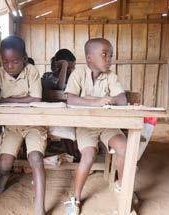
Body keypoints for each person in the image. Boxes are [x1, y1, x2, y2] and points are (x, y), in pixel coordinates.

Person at [0, 35, 47, 215]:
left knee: (36, 158)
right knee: (5, 164)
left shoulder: (31, 71)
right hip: (12, 126)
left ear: (24, 58)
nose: (9, 66)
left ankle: (40, 206)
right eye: (5, 61)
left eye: (15, 61)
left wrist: (7, 100)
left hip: (34, 125)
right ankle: (5, 176)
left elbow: (36, 98)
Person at [63, 38, 127, 214]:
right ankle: (75, 197)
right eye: (105, 55)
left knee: (124, 147)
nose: (109, 59)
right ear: (90, 58)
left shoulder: (111, 76)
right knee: (89, 155)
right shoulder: (78, 74)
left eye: (111, 55)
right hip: (86, 126)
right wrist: (96, 101)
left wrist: (110, 100)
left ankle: (122, 188)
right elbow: (70, 99)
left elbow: (122, 99)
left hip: (107, 125)